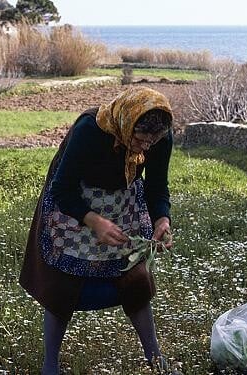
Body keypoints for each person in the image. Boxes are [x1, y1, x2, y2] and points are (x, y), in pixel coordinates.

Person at [20, 86, 174, 374]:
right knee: (61, 282)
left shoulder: (159, 138)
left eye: (153, 142)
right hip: (74, 205)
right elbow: (62, 188)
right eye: (141, 140)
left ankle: (156, 360)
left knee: (135, 277)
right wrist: (93, 221)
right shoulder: (90, 130)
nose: (146, 148)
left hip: (120, 205)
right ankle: (50, 366)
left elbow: (157, 187)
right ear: (128, 124)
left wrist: (161, 219)